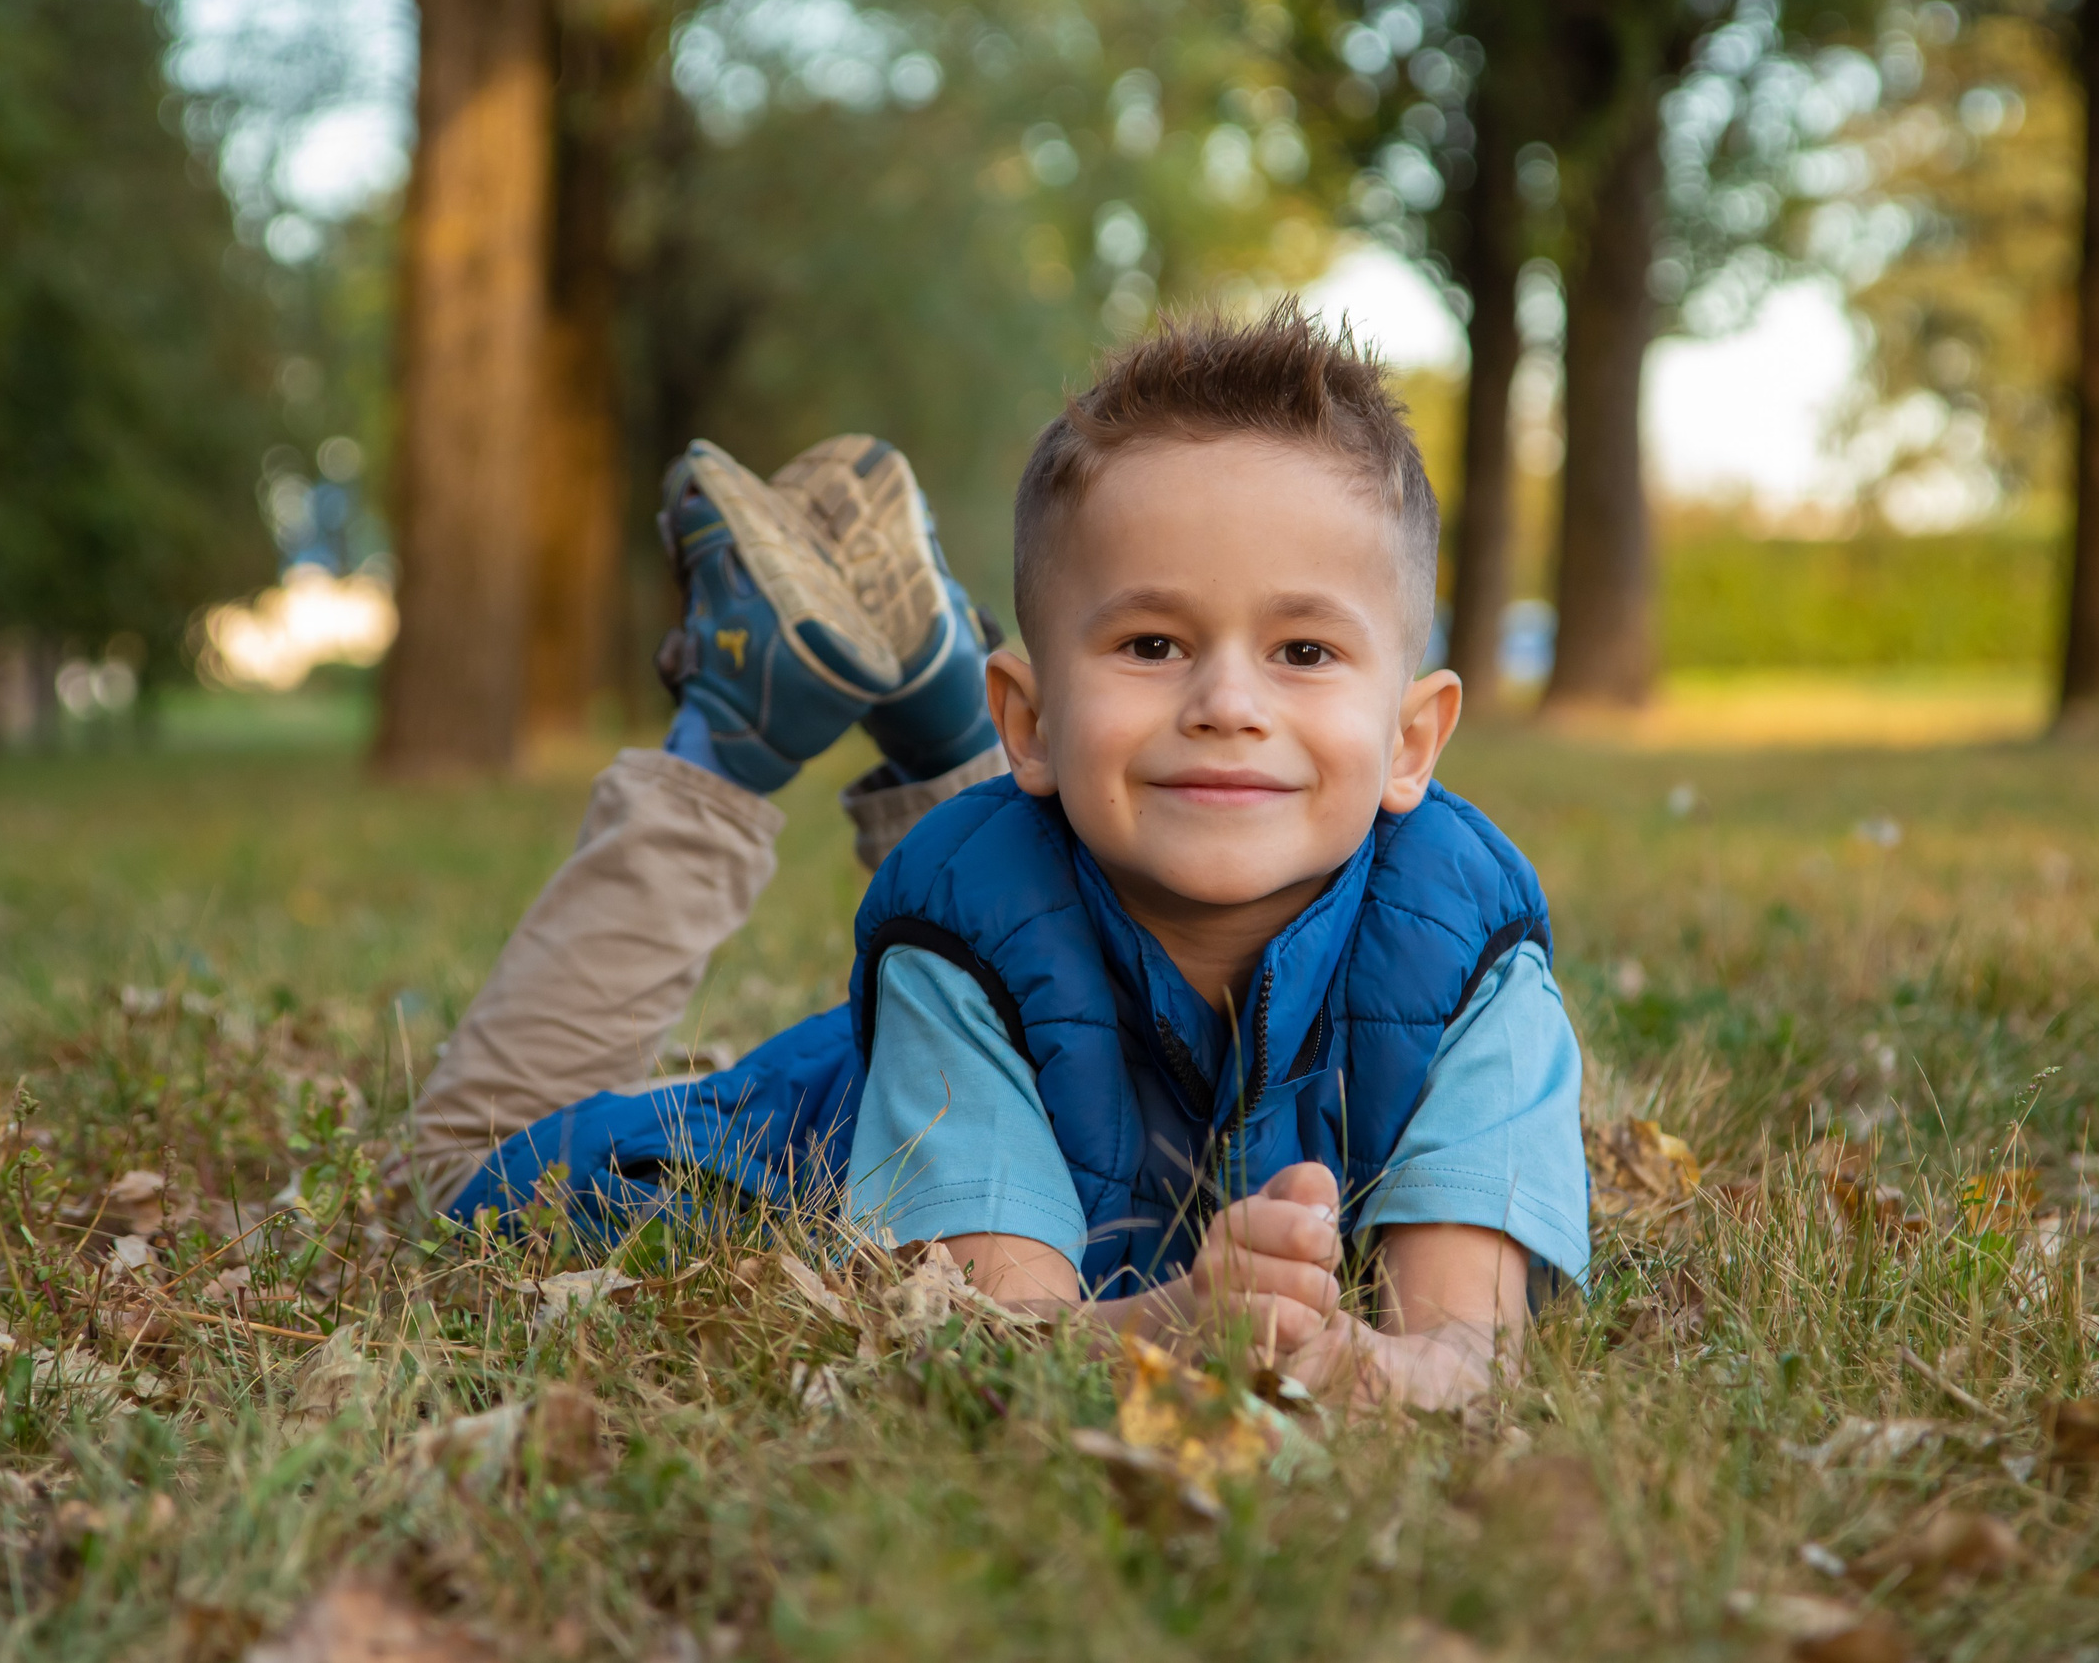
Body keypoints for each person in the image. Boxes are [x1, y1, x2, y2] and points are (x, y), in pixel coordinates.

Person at [397, 305, 1588, 1411]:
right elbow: (988, 1335)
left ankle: (931, 707)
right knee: (451, 1181)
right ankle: (731, 732)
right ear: (1028, 715)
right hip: (779, 1139)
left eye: (1306, 651)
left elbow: (1463, 1360)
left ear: (1413, 739)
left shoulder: (1474, 962)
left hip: (1026, 941)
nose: (1229, 700)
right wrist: (1187, 1321)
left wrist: (1352, 1366)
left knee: (1023, 861)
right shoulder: (952, 954)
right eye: (1154, 640)